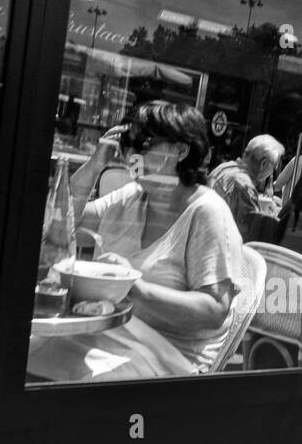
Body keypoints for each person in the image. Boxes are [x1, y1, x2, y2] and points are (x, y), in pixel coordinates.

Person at [27, 101, 244, 382]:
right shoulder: (131, 196)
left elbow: (214, 309)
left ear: (181, 149)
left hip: (168, 354)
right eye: (127, 143)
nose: (132, 153)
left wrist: (136, 287)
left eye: (143, 143)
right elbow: (60, 223)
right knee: (12, 355)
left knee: (52, 384)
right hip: (105, 330)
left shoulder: (206, 212)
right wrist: (96, 164)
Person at [210, 133, 284, 240]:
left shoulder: (222, 168)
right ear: (264, 163)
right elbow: (249, 235)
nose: (272, 173)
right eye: (274, 167)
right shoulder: (245, 186)